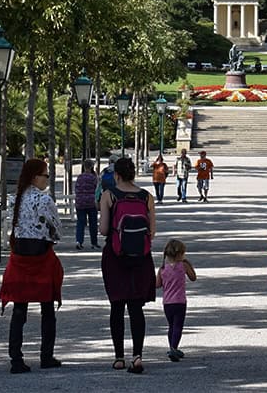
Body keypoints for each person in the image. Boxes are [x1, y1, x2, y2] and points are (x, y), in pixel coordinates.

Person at [0, 158, 64, 373]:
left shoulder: (16, 199)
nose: (47, 179)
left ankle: (15, 358)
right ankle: (46, 355)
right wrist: (52, 235)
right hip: (41, 256)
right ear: (36, 176)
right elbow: (57, 228)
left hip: (20, 257)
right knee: (47, 308)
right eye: (46, 175)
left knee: (19, 310)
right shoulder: (43, 200)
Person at [99, 156, 156, 374]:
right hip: (141, 257)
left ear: (117, 175)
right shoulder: (146, 197)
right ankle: (138, 356)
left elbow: (104, 230)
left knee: (116, 306)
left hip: (115, 256)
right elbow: (152, 231)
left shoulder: (109, 195)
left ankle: (119, 357)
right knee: (135, 308)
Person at [156, 238, 197, 362]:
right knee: (178, 325)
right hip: (179, 301)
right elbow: (193, 277)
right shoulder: (183, 265)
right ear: (180, 254)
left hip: (167, 302)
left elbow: (157, 284)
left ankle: (172, 347)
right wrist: (188, 263)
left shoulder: (162, 268)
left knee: (171, 326)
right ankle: (174, 348)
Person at [74, 160, 100, 250]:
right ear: (92, 166)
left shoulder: (80, 177)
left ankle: (79, 241)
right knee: (93, 223)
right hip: (91, 202)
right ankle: (94, 242)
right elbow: (97, 189)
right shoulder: (93, 177)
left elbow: (76, 189)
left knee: (80, 222)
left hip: (80, 202)